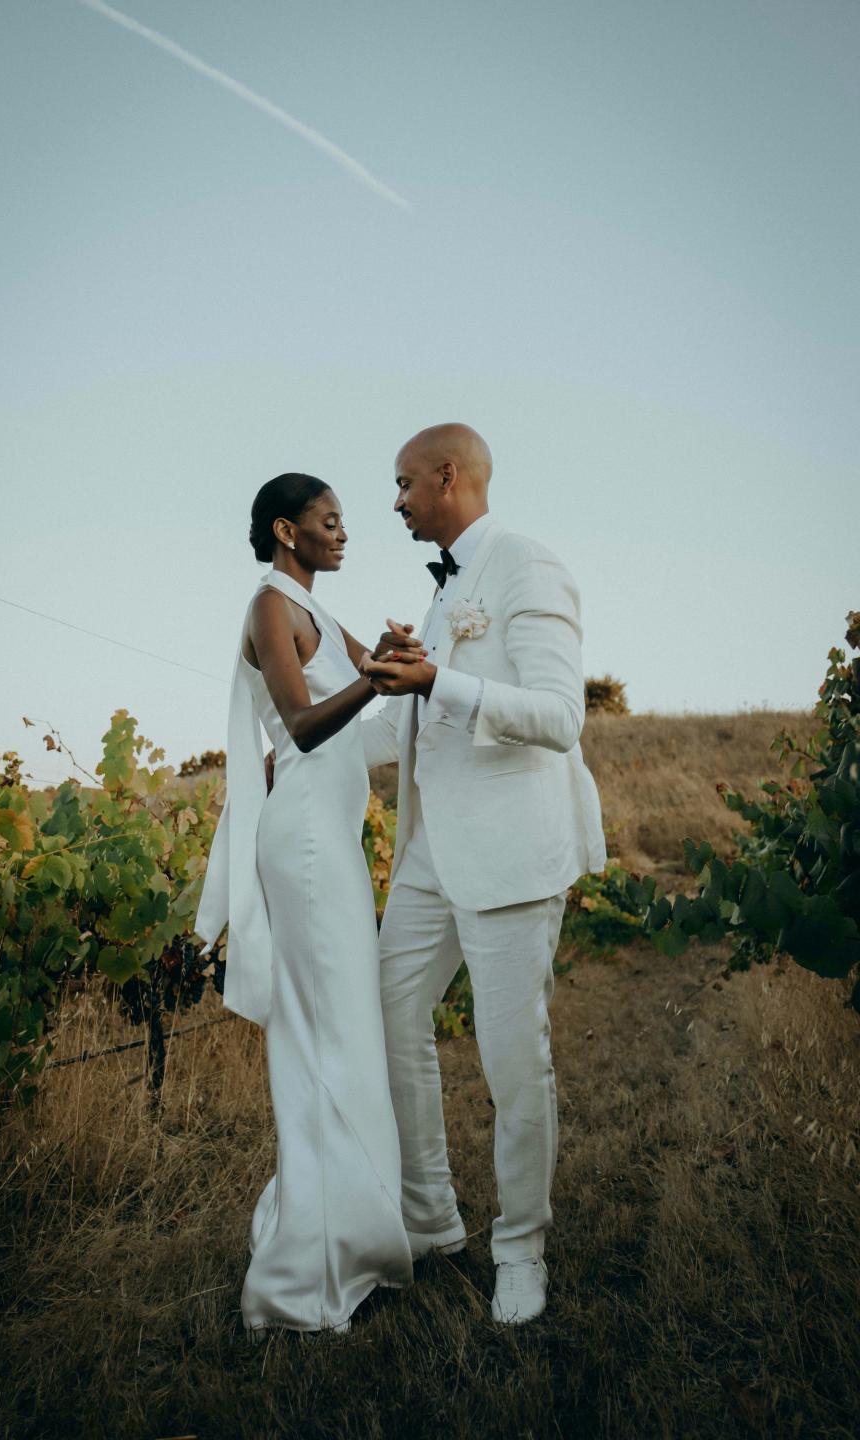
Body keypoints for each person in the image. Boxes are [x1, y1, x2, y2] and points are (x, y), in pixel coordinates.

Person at [359, 423, 606, 1326]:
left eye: (402, 484)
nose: (394, 502)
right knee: (387, 1014)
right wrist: (302, 751)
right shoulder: (444, 595)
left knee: (513, 1062)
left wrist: (435, 683)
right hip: (429, 857)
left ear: (448, 476)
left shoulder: (527, 565)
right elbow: (407, 727)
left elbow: (556, 716)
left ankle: (521, 1248)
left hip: (510, 856)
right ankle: (431, 1218)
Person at [194, 473, 423, 1337]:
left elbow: (376, 669)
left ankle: (349, 1231)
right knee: (325, 1033)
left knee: (345, 1032)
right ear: (288, 530)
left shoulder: (318, 612)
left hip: (334, 842)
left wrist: (398, 656)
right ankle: (303, 1275)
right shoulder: (269, 607)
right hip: (306, 845)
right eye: (331, 521)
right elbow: (299, 722)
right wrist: (379, 679)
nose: (344, 533)